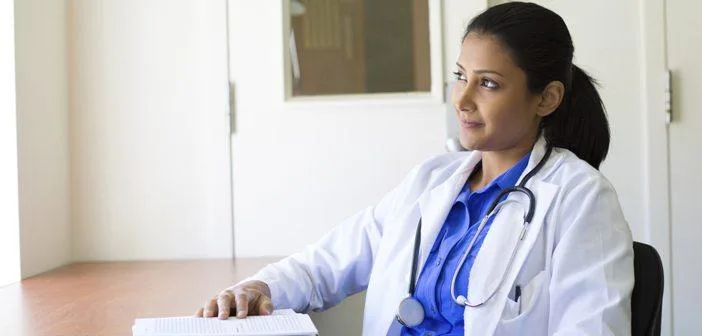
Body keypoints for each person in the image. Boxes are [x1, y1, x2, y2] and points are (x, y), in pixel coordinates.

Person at [195, 2, 634, 335]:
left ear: (547, 98)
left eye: (488, 84)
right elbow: (325, 263)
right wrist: (260, 288)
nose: (462, 99)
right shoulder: (433, 181)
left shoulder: (581, 197)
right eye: (461, 76)